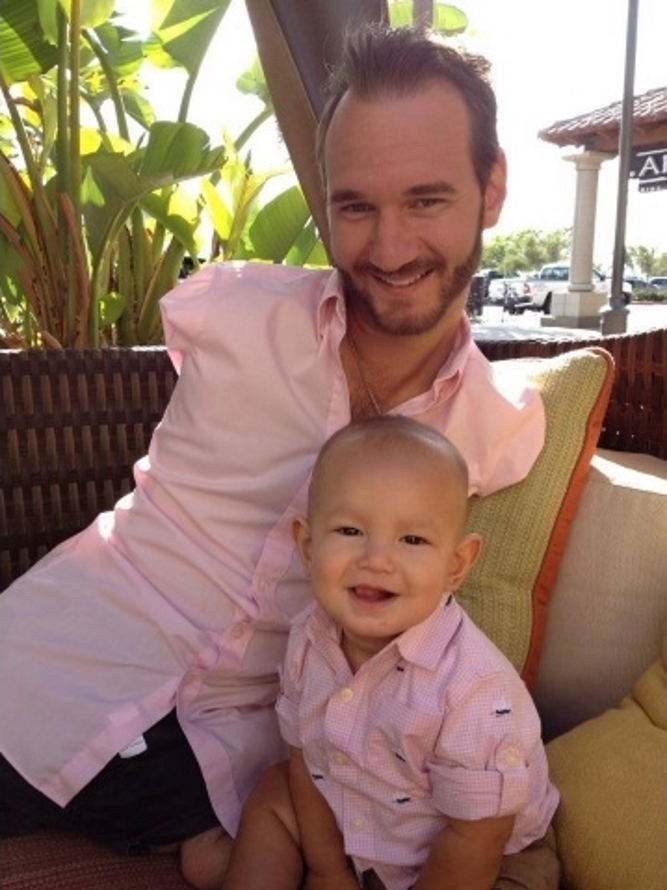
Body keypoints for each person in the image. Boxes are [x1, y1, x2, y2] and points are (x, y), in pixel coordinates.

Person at [0, 24, 546, 890]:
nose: (390, 249)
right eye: (355, 207)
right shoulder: (230, 312)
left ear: (492, 189)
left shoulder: (500, 429)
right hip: (60, 664)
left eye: (426, 201)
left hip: (230, 757)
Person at [223, 416, 560, 890]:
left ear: (456, 566)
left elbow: (477, 835)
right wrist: (328, 869)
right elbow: (306, 760)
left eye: (412, 540)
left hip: (484, 853)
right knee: (272, 794)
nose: (377, 560)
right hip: (351, 808)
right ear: (308, 546)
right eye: (350, 531)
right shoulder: (308, 639)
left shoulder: (473, 690)